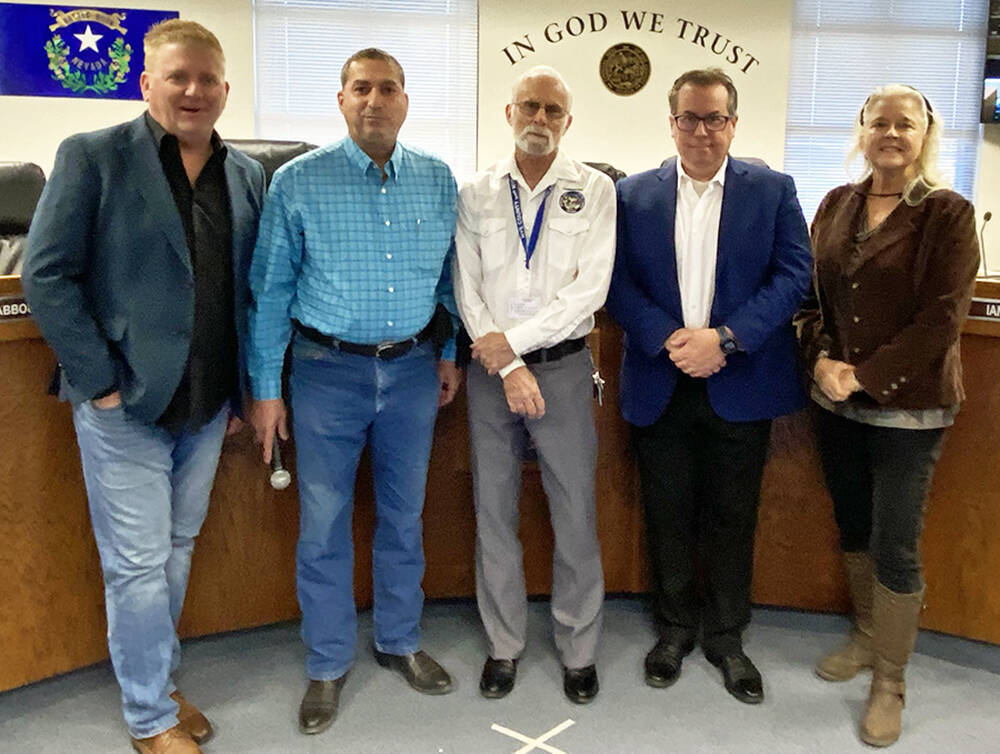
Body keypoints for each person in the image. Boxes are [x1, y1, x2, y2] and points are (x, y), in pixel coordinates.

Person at [22, 19, 265, 754]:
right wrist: (97, 383)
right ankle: (149, 716)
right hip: (124, 401)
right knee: (135, 564)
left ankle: (154, 676)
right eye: (178, 77)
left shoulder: (248, 173)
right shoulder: (93, 157)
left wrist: (248, 390)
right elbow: (46, 274)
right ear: (147, 83)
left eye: (207, 79)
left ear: (225, 88)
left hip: (208, 401)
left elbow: (244, 289)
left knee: (176, 549)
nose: (193, 91)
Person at [247, 48, 461, 736]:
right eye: (361, 88)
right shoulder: (298, 182)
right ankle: (327, 660)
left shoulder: (436, 179)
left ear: (406, 100)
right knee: (324, 523)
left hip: (411, 373)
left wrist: (450, 350)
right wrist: (265, 389)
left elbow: (448, 283)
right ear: (340, 99)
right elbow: (271, 290)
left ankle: (399, 640)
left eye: (388, 88)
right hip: (324, 372)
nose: (375, 99)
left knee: (404, 516)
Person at [606, 68, 812, 705]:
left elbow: (794, 275)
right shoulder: (632, 194)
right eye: (689, 118)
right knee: (667, 515)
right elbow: (613, 283)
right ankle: (672, 631)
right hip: (660, 378)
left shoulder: (773, 190)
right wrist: (672, 339)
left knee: (732, 516)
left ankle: (727, 637)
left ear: (732, 123)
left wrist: (722, 339)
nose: (702, 130)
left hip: (740, 380)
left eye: (714, 118)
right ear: (671, 123)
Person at [796, 84, 979, 747]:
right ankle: (869, 637)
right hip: (833, 403)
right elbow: (807, 295)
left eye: (907, 123)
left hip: (911, 409)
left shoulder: (947, 213)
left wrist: (864, 376)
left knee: (897, 541)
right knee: (853, 523)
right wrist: (820, 362)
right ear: (862, 129)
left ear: (925, 133)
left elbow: (943, 318)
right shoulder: (837, 204)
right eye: (881, 122)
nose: (893, 133)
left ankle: (890, 681)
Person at [453, 65, 615, 704]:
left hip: (566, 370)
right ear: (509, 114)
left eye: (552, 110)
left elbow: (590, 290)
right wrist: (510, 364)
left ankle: (578, 648)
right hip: (492, 378)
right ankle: (504, 645)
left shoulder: (596, 190)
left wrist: (514, 349)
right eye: (530, 107)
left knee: (574, 511)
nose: (540, 119)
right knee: (494, 512)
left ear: (567, 121)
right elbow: (466, 286)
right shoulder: (476, 192)